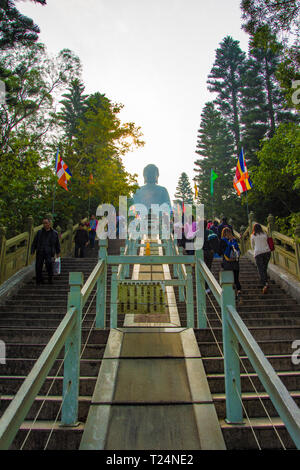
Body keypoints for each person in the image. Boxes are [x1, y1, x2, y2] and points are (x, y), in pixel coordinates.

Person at [31, 217, 61, 285]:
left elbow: (57, 244)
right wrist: (32, 250)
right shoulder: (39, 232)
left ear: (49, 224)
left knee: (49, 265)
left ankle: (50, 279)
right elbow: (34, 242)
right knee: (38, 266)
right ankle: (39, 280)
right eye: (43, 223)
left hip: (49, 252)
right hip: (40, 251)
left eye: (46, 223)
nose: (45, 224)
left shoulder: (54, 233)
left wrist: (58, 252)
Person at [219, 227, 241, 299]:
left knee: (229, 278)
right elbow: (238, 251)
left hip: (227, 263)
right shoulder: (234, 240)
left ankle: (231, 293)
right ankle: (238, 291)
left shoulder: (222, 240)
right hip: (235, 262)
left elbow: (220, 251)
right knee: (236, 278)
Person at [251, 223, 271, 294]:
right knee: (264, 268)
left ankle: (264, 283)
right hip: (267, 252)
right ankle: (266, 281)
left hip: (258, 253)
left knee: (260, 269)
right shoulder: (265, 234)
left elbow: (252, 245)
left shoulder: (253, 235)